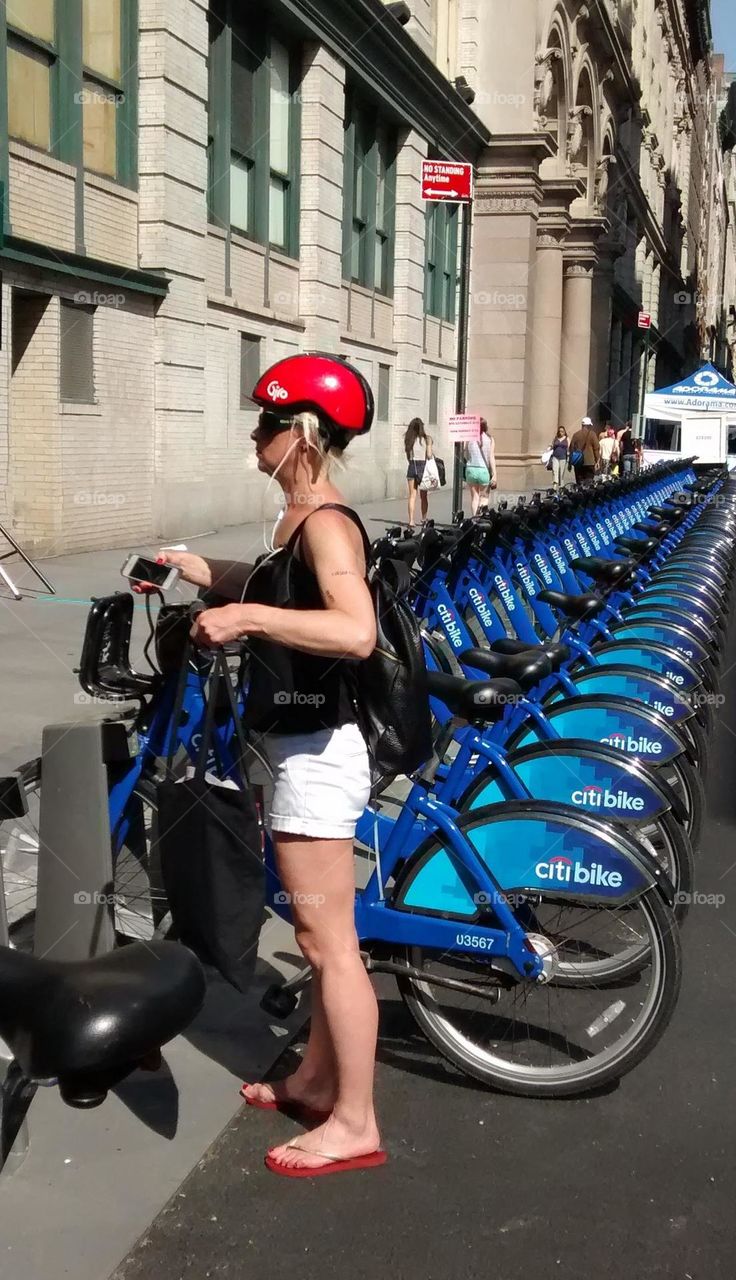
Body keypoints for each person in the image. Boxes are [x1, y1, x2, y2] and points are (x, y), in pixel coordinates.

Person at [157, 355, 386, 1178]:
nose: (255, 434)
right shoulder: (295, 521)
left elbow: (353, 631)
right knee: (317, 932)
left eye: (268, 422)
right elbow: (278, 591)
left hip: (318, 753)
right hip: (294, 745)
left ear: (305, 436)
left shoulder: (326, 521)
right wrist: (206, 576)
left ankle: (355, 1120)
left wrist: (247, 614)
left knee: (330, 945)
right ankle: (318, 1079)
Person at [464, 418, 496, 514]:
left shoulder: (469, 438)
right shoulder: (490, 439)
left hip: (470, 469)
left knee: (475, 497)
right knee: (484, 497)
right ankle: (482, 519)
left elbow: (465, 454)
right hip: (483, 470)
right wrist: (494, 474)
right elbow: (491, 457)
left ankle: (474, 518)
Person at [405, 417, 433, 529]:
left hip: (412, 466)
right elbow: (429, 455)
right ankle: (424, 518)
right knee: (424, 496)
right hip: (423, 467)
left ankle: (411, 520)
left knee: (412, 495)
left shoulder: (409, 440)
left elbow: (408, 456)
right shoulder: (427, 439)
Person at [568, 415, 600, 485]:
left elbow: (571, 449)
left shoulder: (576, 435)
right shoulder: (592, 434)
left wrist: (570, 463)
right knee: (589, 480)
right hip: (590, 461)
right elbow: (596, 449)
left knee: (579, 481)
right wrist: (597, 461)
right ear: (588, 425)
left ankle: (580, 492)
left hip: (578, 461)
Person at [549, 426, 569, 491]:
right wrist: (549, 448)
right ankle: (555, 485)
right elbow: (552, 446)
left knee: (561, 472)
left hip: (563, 457)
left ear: (564, 432)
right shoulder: (555, 438)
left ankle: (561, 485)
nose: (561, 433)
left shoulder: (567, 438)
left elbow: (569, 448)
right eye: (560, 431)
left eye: (562, 431)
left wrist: (568, 456)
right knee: (555, 471)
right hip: (555, 457)